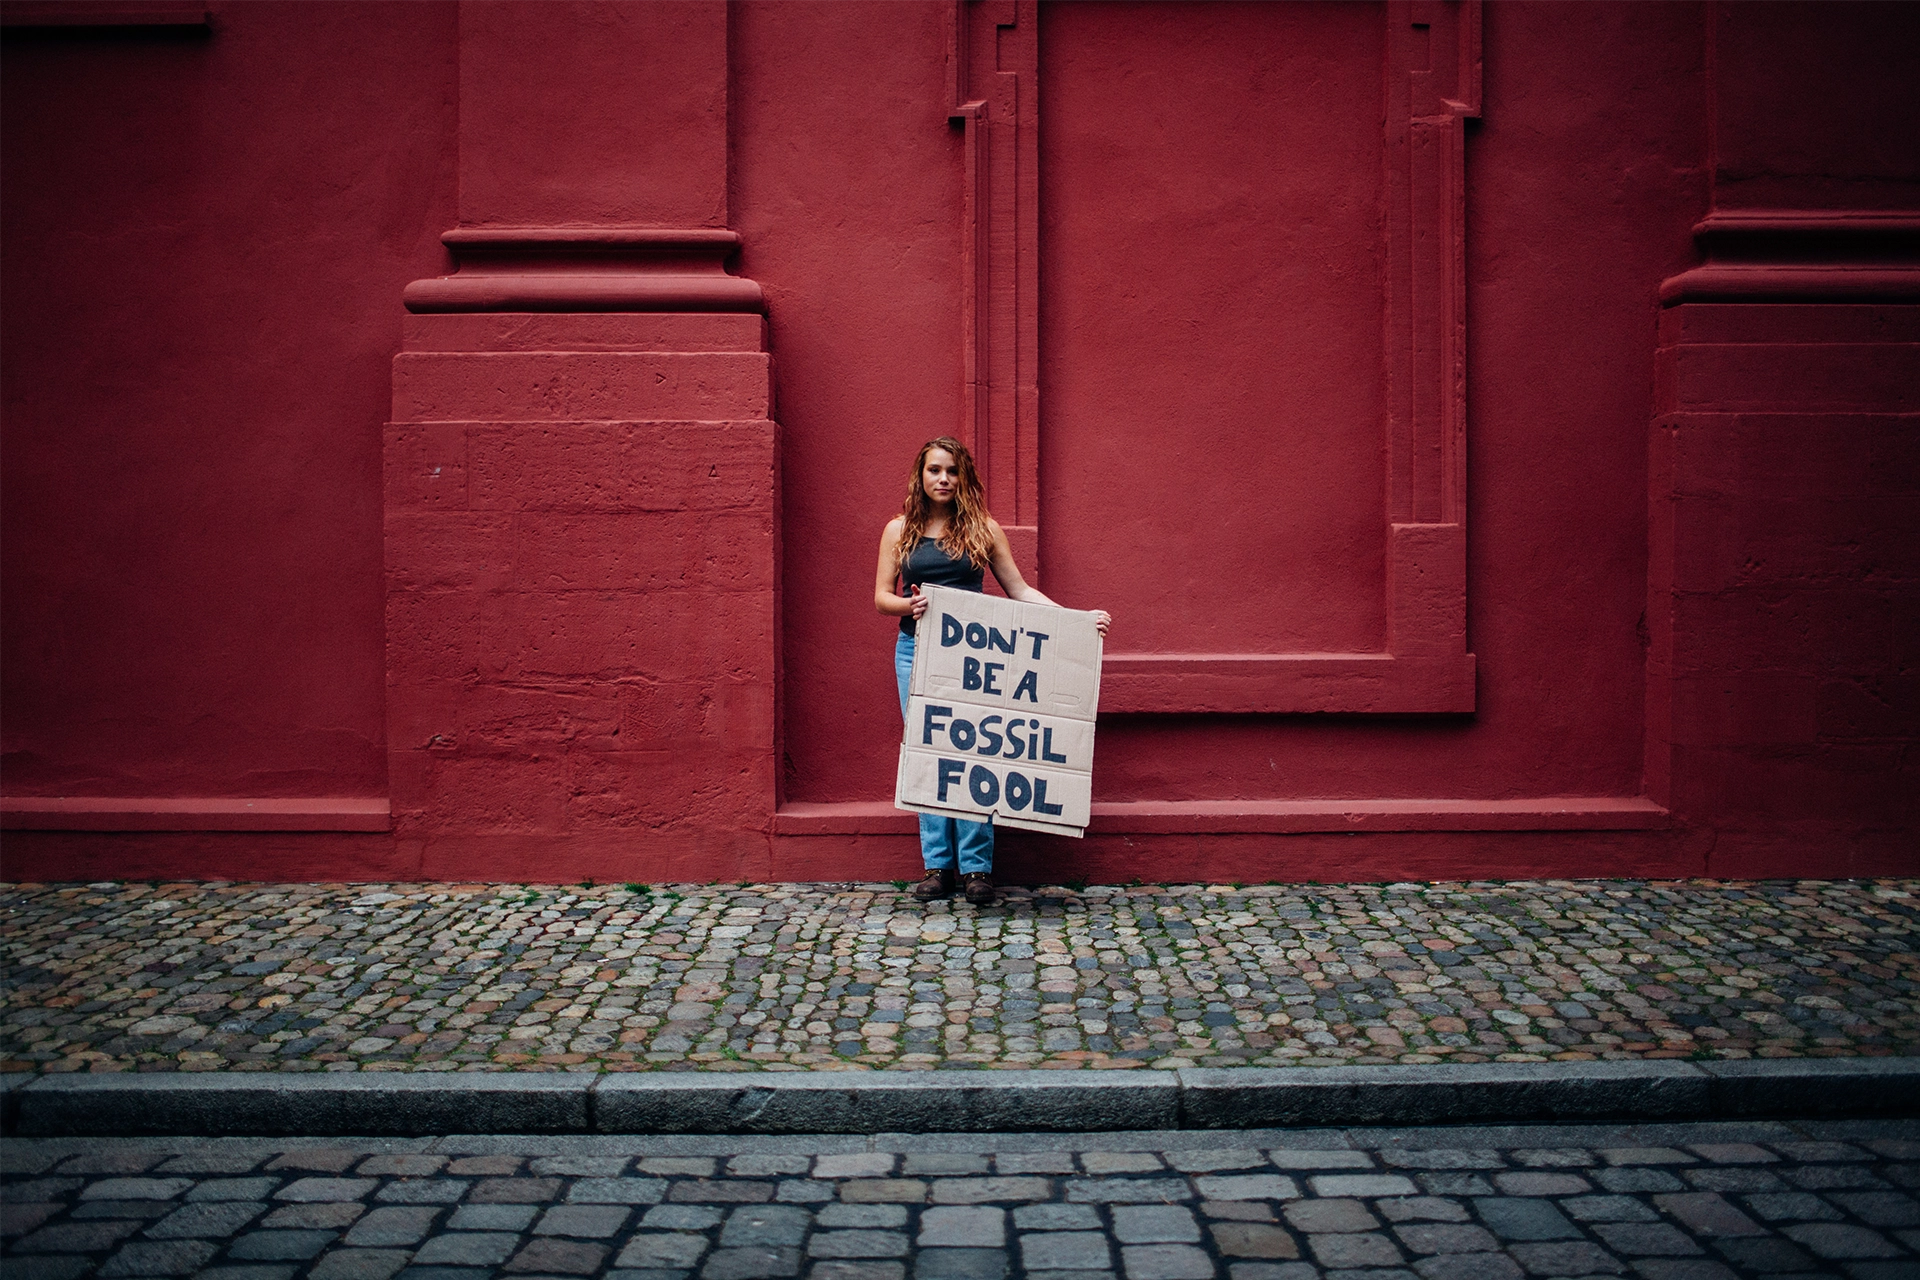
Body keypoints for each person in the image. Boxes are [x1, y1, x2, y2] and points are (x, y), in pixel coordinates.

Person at [875, 437, 1111, 905]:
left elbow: (1019, 590)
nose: (943, 479)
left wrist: (1076, 623)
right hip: (915, 652)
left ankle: (977, 869)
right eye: (934, 470)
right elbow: (882, 597)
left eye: (952, 471)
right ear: (919, 476)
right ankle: (938, 866)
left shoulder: (983, 529)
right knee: (931, 752)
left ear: (964, 478)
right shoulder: (898, 529)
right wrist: (910, 603)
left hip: (972, 659)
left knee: (975, 750)